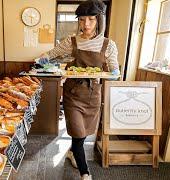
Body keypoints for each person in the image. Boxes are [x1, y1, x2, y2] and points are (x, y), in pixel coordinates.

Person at [39, 0, 120, 179]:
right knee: (77, 133)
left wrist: (114, 72)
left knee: (82, 135)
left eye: (91, 19)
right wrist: (42, 60)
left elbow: (114, 71)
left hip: (93, 96)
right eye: (82, 20)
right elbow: (51, 54)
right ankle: (85, 174)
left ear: (99, 20)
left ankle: (72, 153)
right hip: (73, 94)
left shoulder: (109, 45)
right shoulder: (72, 41)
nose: (86, 25)